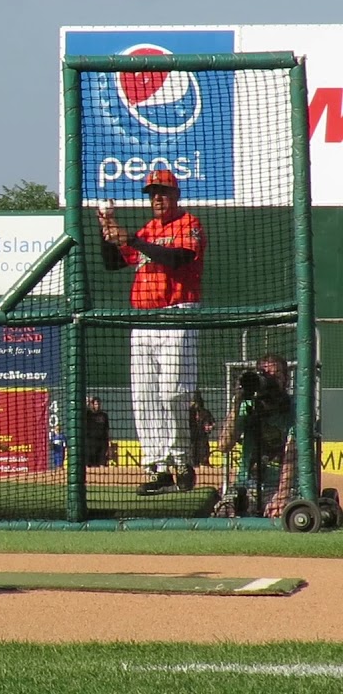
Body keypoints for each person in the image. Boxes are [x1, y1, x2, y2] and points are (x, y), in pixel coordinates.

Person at [97, 169, 206, 496]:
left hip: (177, 314)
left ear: (176, 195)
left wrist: (130, 238)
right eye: (152, 193)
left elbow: (179, 257)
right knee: (144, 395)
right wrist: (106, 231)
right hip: (143, 318)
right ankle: (158, 466)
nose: (157, 198)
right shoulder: (148, 228)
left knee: (173, 391)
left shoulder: (189, 223)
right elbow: (114, 263)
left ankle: (181, 458)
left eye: (163, 192)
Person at [215, 354, 295, 518]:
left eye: (277, 376)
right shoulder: (248, 405)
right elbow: (224, 446)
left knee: (283, 514)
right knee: (224, 512)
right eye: (266, 375)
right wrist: (237, 402)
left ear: (286, 380)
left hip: (283, 485)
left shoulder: (296, 407)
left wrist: (282, 494)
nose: (271, 381)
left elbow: (293, 452)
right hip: (245, 485)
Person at [188, 391, 216, 468]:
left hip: (202, 437)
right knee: (192, 452)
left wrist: (210, 427)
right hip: (192, 437)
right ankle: (194, 464)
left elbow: (213, 423)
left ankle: (204, 462)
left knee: (204, 450)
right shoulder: (188, 413)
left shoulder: (205, 412)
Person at [85, 397, 111, 467]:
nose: (97, 406)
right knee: (88, 464)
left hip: (102, 442)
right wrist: (87, 402)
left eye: (98, 404)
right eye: (96, 404)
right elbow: (82, 410)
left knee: (102, 463)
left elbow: (107, 430)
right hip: (90, 442)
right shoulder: (88, 414)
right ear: (92, 405)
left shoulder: (104, 415)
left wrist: (109, 443)